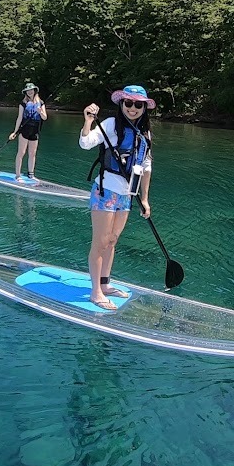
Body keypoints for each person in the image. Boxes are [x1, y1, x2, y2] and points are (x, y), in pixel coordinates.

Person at [79, 85, 155, 310]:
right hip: (106, 192)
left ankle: (105, 284)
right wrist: (88, 121)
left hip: (126, 195)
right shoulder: (111, 125)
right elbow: (85, 143)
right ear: (121, 104)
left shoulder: (146, 133)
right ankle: (96, 293)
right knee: (100, 243)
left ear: (143, 107)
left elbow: (147, 166)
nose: (133, 108)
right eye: (128, 103)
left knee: (112, 241)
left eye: (138, 104)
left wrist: (145, 198)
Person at [8, 83, 47, 181]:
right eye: (28, 90)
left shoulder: (41, 103)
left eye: (31, 90)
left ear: (34, 91)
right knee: (21, 152)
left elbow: (45, 117)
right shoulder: (23, 103)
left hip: (35, 130)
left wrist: (40, 112)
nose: (30, 92)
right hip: (25, 130)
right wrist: (15, 132)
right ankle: (18, 175)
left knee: (32, 153)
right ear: (26, 92)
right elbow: (19, 118)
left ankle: (31, 174)